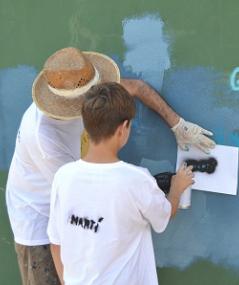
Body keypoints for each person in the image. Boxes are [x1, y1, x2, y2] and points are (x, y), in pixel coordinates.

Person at [5, 47, 214, 285]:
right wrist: (161, 189)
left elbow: (136, 88)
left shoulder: (94, 97)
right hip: (38, 216)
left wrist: (177, 124)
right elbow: (90, 195)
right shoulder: (44, 138)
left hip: (73, 222)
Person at [47, 82, 193, 285]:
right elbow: (165, 215)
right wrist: (177, 187)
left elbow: (56, 243)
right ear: (123, 129)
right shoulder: (136, 180)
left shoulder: (63, 176)